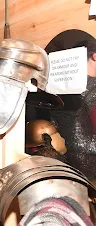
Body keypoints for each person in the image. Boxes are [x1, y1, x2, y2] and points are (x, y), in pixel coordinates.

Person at [49, 39, 96, 180]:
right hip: (89, 173)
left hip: (63, 168)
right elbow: (79, 140)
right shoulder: (91, 89)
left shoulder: (58, 86)